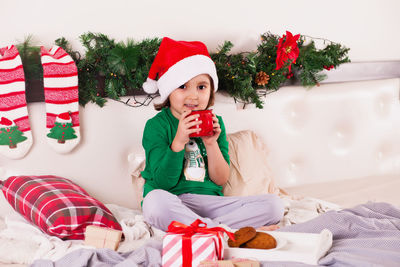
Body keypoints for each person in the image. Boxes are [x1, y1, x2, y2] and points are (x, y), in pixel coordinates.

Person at [140, 37, 284, 231]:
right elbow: (162, 183)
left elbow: (221, 179)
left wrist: (211, 143)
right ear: (168, 90)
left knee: (274, 206)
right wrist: (179, 142)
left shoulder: (217, 124)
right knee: (153, 202)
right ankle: (221, 230)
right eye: (182, 86)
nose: (193, 96)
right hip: (173, 201)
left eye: (201, 87)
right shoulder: (157, 126)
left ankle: (206, 228)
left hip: (212, 204)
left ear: (210, 90)